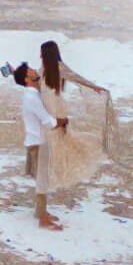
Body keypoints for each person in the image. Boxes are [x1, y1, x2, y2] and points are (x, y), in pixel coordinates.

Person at [36, 38, 114, 197]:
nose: (39, 55)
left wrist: (94, 87)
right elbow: (34, 81)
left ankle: (56, 178)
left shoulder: (59, 67)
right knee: (55, 145)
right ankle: (53, 178)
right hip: (49, 109)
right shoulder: (42, 68)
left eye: (41, 52)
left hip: (57, 110)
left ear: (47, 53)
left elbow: (76, 77)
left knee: (59, 145)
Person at [12, 61, 65, 230]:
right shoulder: (31, 97)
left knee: (43, 178)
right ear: (28, 79)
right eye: (30, 70)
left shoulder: (33, 93)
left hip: (37, 140)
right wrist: (62, 121)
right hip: (38, 142)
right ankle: (42, 218)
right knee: (42, 180)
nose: (35, 70)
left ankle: (41, 212)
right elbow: (47, 121)